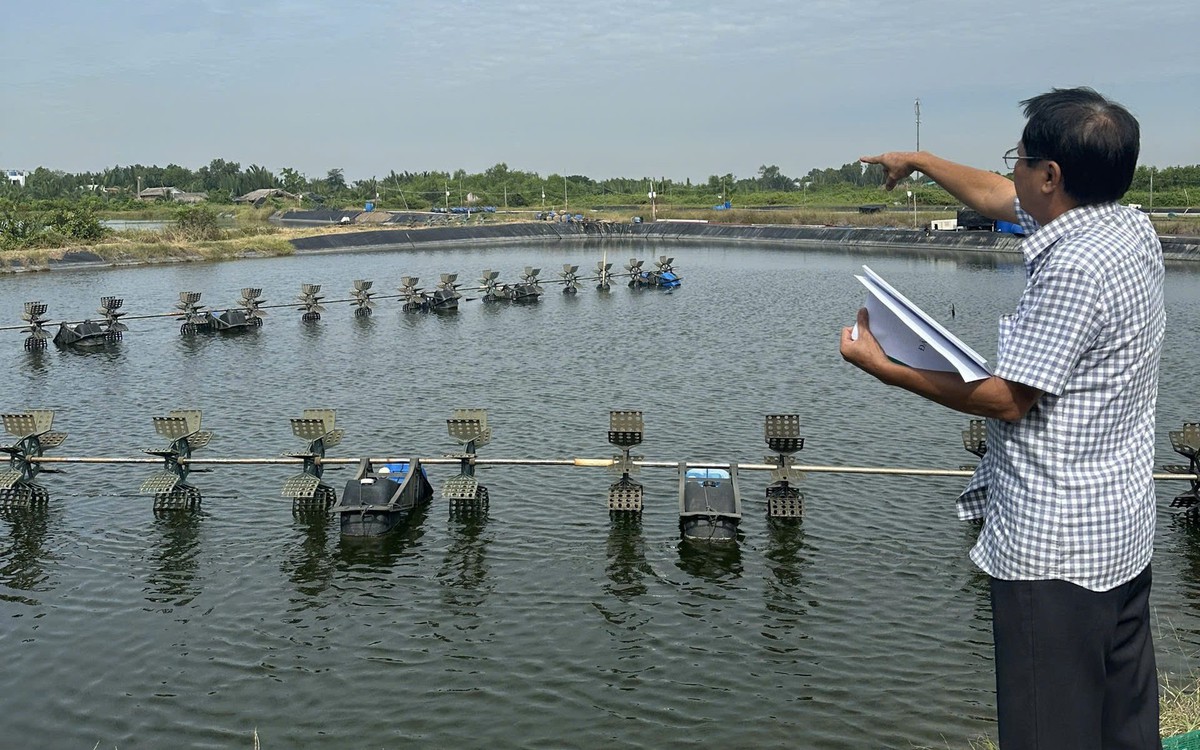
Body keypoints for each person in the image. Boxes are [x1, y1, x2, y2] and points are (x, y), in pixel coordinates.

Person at [842, 87, 1164, 749]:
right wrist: (921, 161)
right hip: (1119, 534)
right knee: (1126, 728)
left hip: (1055, 552)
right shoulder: (1127, 228)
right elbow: (996, 196)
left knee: (1048, 733)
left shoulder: (1073, 266)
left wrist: (888, 368)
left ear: (1050, 176)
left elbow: (1009, 399)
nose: (1010, 171)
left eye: (1019, 159)